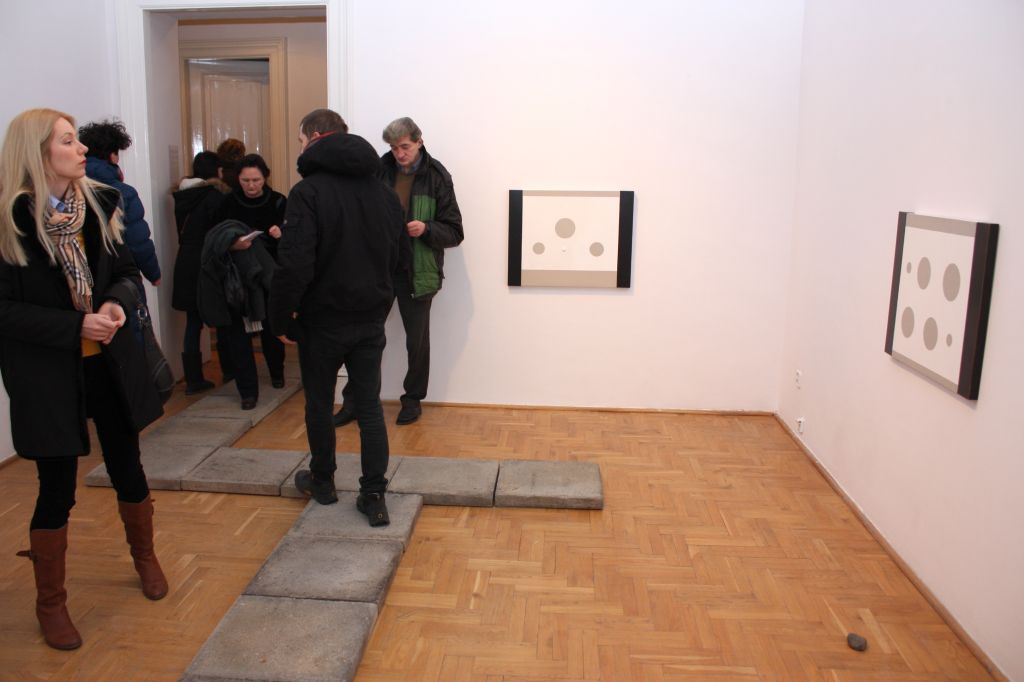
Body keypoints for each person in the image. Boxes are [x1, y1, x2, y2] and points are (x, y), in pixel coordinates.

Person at [0, 109, 168, 651]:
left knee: (127, 466)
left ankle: (145, 558)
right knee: (56, 488)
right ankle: (51, 603)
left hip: (108, 363)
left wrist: (115, 305)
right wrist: (76, 325)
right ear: (38, 152)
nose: (81, 151)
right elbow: (5, 311)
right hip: (48, 373)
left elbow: (125, 273)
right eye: (69, 141)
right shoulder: (8, 221)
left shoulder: (98, 205)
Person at [269, 109, 405, 526]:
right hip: (369, 319)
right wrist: (380, 305)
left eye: (299, 140)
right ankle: (374, 495)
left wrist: (281, 319)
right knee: (369, 407)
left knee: (318, 402)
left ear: (313, 137)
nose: (299, 148)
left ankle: (323, 481)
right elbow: (397, 259)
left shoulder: (307, 192)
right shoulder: (384, 194)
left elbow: (295, 263)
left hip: (322, 321)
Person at [334, 116, 463, 427]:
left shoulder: (437, 176)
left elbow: (455, 232)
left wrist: (426, 228)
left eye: (405, 146)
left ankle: (412, 400)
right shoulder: (378, 171)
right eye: (394, 148)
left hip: (418, 271)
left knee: (416, 342)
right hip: (378, 269)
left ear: (419, 141)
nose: (399, 154)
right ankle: (355, 401)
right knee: (363, 338)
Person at [215, 153, 287, 387]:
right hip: (237, 274)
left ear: (265, 177)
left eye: (256, 180)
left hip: (269, 273)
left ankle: (277, 373)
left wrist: (281, 235)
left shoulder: (278, 201)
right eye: (245, 180)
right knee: (238, 331)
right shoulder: (227, 203)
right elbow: (214, 237)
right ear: (238, 179)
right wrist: (232, 244)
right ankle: (246, 386)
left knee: (270, 327)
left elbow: (294, 238)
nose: (251, 185)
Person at [198, 218, 276, 410]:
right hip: (232, 303)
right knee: (240, 345)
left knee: (252, 342)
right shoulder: (215, 251)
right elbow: (270, 274)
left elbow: (269, 274)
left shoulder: (248, 246)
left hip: (250, 300)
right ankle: (251, 392)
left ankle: (268, 381)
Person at [171, 151, 232, 393]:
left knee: (193, 322)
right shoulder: (214, 196)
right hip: (207, 261)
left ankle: (193, 379)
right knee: (222, 317)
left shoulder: (182, 196)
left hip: (185, 260)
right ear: (217, 171)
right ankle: (230, 370)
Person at [78, 119, 161, 289]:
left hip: (84, 281)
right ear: (112, 156)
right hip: (119, 279)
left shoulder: (71, 188)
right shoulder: (124, 193)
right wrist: (153, 274)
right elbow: (138, 242)